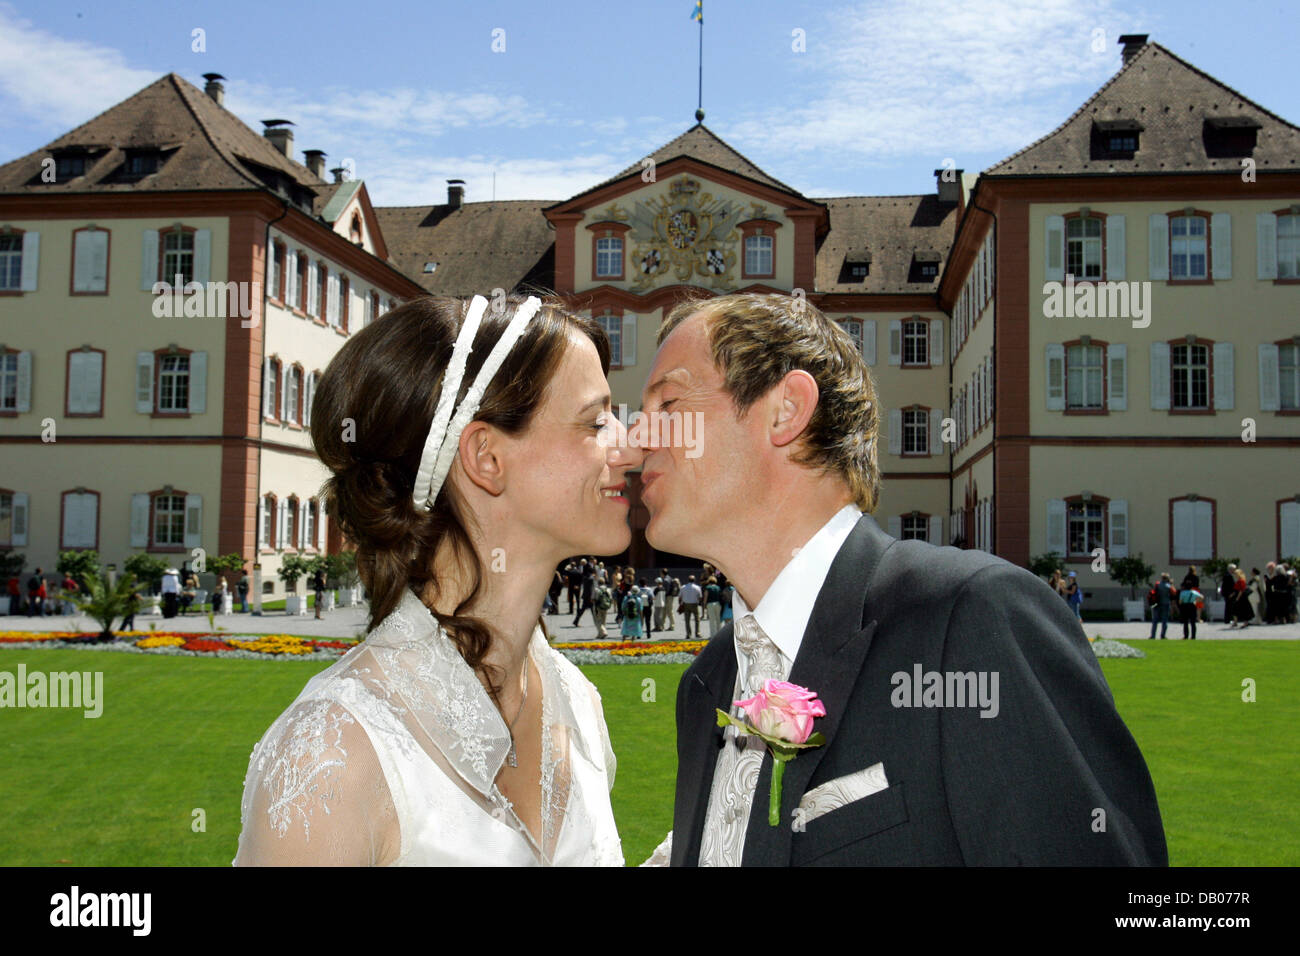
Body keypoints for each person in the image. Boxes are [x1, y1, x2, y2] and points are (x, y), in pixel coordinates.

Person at [635, 292, 1165, 866]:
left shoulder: (970, 621)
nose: (635, 438)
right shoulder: (707, 683)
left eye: (669, 403)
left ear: (785, 410)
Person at [235, 293, 630, 866]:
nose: (631, 446)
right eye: (596, 421)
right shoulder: (336, 752)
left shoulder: (576, 702)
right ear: (486, 457)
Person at [1148, 572, 1174, 639]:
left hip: (1157, 604)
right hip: (1165, 604)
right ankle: (1163, 635)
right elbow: (1174, 592)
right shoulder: (1168, 586)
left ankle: (1153, 635)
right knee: (1164, 621)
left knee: (1155, 621)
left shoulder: (1158, 584)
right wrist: (1171, 584)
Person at [678, 574, 702, 639]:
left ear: (688, 580)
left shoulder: (683, 587)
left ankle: (688, 634)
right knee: (697, 620)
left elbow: (680, 597)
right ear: (694, 580)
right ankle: (697, 633)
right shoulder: (697, 587)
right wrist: (699, 603)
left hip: (686, 605)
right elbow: (700, 597)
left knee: (687, 620)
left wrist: (680, 604)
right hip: (694, 604)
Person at [573, 561, 596, 626]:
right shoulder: (590, 577)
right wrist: (592, 596)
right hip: (589, 596)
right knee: (592, 610)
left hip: (585, 595)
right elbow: (591, 588)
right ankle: (597, 622)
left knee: (584, 610)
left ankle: (576, 621)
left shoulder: (584, 576)